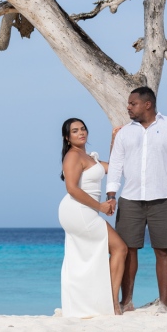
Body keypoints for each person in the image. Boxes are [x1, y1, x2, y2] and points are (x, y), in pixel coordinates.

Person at [106, 87, 167, 313]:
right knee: (128, 250)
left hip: (164, 199)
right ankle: (126, 301)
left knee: (163, 250)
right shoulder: (124, 133)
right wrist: (111, 194)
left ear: (147, 104)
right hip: (130, 199)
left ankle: (164, 304)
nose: (128, 107)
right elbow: (116, 164)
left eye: (132, 104)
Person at [58, 118, 128, 317]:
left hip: (85, 210)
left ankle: (105, 301)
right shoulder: (72, 156)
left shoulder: (87, 156)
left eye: (82, 129)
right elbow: (71, 188)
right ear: (67, 137)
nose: (81, 133)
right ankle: (112, 303)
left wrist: (114, 140)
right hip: (78, 210)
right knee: (120, 248)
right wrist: (100, 206)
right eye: (74, 131)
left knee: (89, 256)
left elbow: (114, 167)